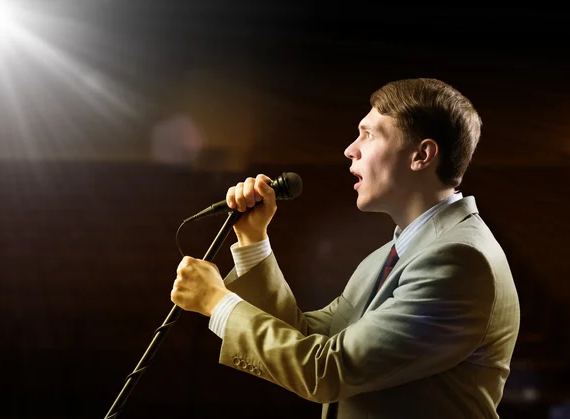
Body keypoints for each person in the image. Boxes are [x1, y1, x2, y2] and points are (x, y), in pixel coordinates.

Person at [170, 78, 521, 418]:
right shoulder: (388, 256)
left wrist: (216, 303)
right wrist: (252, 240)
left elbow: (328, 370)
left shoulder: (460, 261)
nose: (350, 149)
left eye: (368, 134)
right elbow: (308, 338)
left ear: (422, 155)